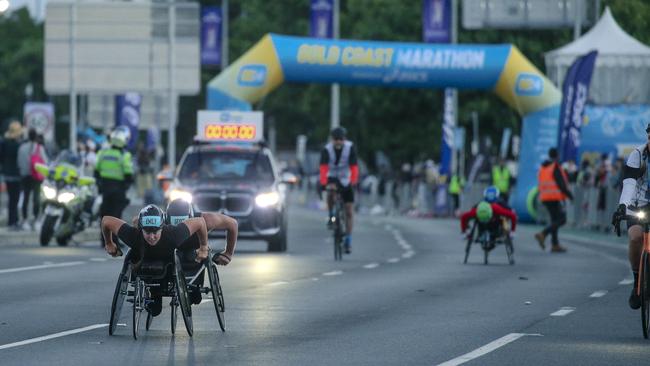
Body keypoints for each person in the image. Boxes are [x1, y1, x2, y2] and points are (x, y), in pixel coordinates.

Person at [102, 204, 212, 317]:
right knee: (155, 310)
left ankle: (185, 292)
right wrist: (109, 243)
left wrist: (203, 246)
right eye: (147, 232)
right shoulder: (133, 235)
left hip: (167, 269)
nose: (151, 237)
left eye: (155, 232)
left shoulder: (173, 234)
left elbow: (200, 222)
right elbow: (106, 220)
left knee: (165, 304)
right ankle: (152, 297)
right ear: (141, 229)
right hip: (144, 267)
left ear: (162, 228)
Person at [165, 199, 238, 304]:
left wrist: (228, 253)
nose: (181, 230)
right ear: (167, 219)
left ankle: (194, 288)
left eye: (185, 224)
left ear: (192, 217)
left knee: (195, 298)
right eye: (176, 225)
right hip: (171, 254)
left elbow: (233, 224)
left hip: (195, 254)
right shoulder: (161, 221)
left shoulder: (205, 219)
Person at [613, 123, 650, 309]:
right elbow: (629, 184)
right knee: (636, 237)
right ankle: (637, 279)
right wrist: (622, 206)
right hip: (638, 204)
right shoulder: (638, 155)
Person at [320, 127, 359, 254]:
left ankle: (348, 239)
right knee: (330, 191)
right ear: (332, 139)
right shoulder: (327, 149)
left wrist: (353, 181)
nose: (338, 142)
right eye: (336, 139)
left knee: (348, 210)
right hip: (332, 176)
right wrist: (324, 183)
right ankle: (331, 215)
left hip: (345, 177)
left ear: (344, 139)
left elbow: (354, 167)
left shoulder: (350, 147)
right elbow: (323, 168)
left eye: (340, 139)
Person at [95, 127, 134, 245]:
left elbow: (96, 169)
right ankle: (114, 240)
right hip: (118, 188)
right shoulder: (124, 155)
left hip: (104, 187)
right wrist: (128, 183)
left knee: (104, 213)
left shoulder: (103, 152)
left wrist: (100, 183)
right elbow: (128, 172)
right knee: (116, 215)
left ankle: (104, 240)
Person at [534, 147, 573, 253]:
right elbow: (561, 185)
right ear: (557, 155)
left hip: (545, 197)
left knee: (554, 220)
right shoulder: (555, 166)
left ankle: (555, 244)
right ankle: (543, 234)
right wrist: (570, 195)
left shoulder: (543, 167)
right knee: (562, 219)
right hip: (554, 197)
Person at [17, 128, 48, 230]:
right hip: (36, 177)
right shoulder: (39, 148)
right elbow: (45, 162)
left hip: (25, 176)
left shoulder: (22, 148)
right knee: (36, 199)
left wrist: (24, 171)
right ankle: (35, 220)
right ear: (35, 137)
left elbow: (19, 162)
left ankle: (25, 220)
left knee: (25, 198)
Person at [0, 121, 24, 230]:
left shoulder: (4, 143)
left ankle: (12, 221)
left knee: (11, 199)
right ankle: (14, 221)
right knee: (16, 199)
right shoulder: (19, 145)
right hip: (17, 175)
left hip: (7, 174)